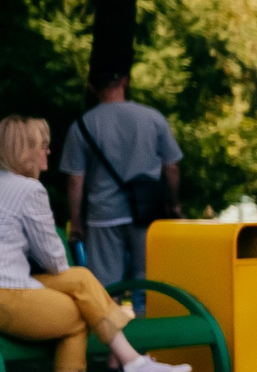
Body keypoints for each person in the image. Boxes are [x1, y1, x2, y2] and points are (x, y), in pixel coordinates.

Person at [0, 114, 194, 372]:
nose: (49, 153)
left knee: (80, 282)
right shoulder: (27, 189)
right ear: (27, 149)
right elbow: (53, 259)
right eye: (44, 146)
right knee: (79, 311)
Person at [57, 69, 181, 307]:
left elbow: (75, 180)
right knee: (149, 283)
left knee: (105, 287)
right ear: (125, 81)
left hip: (102, 215)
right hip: (147, 213)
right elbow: (172, 168)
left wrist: (77, 222)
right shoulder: (153, 118)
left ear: (92, 87)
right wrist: (173, 204)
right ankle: (147, 339)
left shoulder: (82, 125)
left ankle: (111, 341)